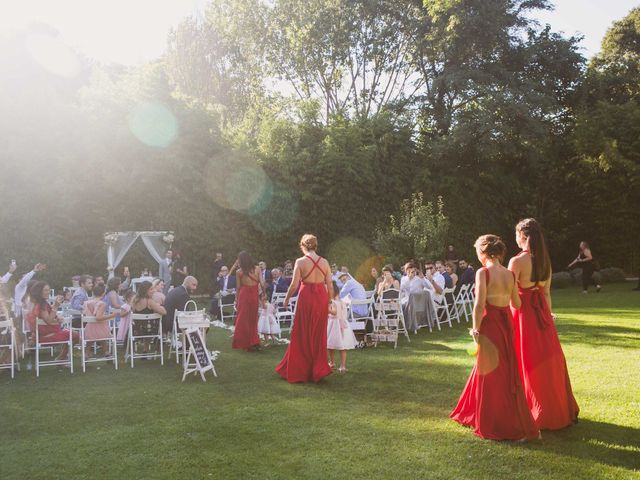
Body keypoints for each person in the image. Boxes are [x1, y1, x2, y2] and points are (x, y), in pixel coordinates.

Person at [450, 235, 540, 442]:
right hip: (506, 326)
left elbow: (479, 305)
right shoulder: (509, 274)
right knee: (507, 371)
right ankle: (508, 416)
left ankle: (496, 422)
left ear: (483, 252)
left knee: (490, 374)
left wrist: (475, 330)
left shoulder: (483, 273)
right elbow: (517, 304)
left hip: (490, 326)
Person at [509, 219, 579, 430]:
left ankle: (531, 409)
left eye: (516, 234)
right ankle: (555, 409)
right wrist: (546, 318)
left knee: (525, 361)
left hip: (523, 315)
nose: (515, 238)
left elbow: (513, 298)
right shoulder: (545, 261)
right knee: (547, 362)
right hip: (543, 316)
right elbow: (546, 293)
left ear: (522, 236)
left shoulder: (517, 261)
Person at [276, 234, 333, 383]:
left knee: (302, 332)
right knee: (318, 333)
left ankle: (301, 370)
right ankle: (318, 369)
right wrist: (330, 301)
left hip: (307, 297)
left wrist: (287, 298)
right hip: (321, 297)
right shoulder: (325, 262)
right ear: (316, 245)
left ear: (302, 245)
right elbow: (330, 285)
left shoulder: (300, 262)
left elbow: (294, 285)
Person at [28, 281, 79, 361]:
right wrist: (56, 306)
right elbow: (48, 320)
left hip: (39, 335)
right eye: (46, 290)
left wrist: (57, 316)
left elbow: (48, 316)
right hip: (46, 337)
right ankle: (61, 357)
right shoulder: (41, 305)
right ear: (39, 291)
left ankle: (62, 357)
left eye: (49, 290)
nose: (48, 292)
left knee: (69, 333)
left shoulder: (37, 303)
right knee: (75, 335)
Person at [231, 251, 262, 351]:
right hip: (254, 294)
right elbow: (261, 282)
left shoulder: (239, 272)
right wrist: (264, 295)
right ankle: (254, 342)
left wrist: (236, 298)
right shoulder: (257, 268)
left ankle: (245, 343)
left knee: (242, 319)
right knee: (253, 319)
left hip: (243, 295)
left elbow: (238, 287)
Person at [82, 283, 120, 357]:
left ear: (93, 293)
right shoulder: (102, 304)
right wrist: (111, 316)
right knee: (103, 338)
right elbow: (98, 318)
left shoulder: (87, 303)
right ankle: (106, 352)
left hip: (90, 327)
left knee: (90, 339)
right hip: (100, 327)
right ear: (103, 294)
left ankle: (86, 353)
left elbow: (87, 314)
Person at [327, 281, 357, 372]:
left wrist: (327, 309)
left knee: (330, 345)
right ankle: (342, 366)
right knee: (342, 346)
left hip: (335, 325)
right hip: (343, 325)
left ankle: (332, 362)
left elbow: (335, 312)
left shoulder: (333, 302)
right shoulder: (342, 301)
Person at [131, 281, 166, 355]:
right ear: (145, 291)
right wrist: (159, 306)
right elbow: (164, 312)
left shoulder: (134, 300)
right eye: (151, 289)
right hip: (150, 330)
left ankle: (145, 350)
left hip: (136, 329)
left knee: (146, 325)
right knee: (162, 322)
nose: (154, 291)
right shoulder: (149, 301)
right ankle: (157, 348)